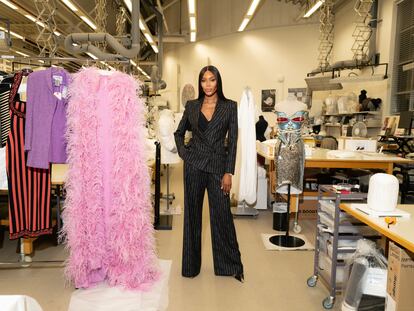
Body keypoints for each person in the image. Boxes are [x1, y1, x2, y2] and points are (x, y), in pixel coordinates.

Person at [174, 65, 244, 282]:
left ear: (218, 81)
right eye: (204, 80)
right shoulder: (192, 106)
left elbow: (232, 142)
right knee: (192, 216)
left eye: (212, 80)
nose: (208, 84)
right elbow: (179, 133)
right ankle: (190, 267)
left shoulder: (230, 106)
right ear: (200, 82)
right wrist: (186, 154)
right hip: (194, 166)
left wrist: (228, 172)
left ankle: (229, 266)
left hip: (217, 168)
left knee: (222, 216)